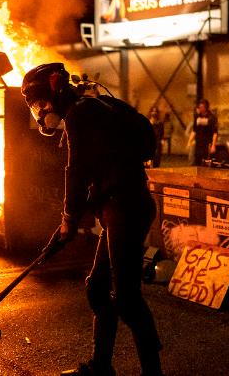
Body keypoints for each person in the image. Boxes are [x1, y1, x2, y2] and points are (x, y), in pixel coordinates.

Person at [21, 63, 163, 376]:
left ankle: (154, 373)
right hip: (117, 209)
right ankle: (101, 368)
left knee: (127, 298)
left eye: (42, 104)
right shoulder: (88, 112)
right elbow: (94, 178)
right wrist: (69, 224)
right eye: (35, 107)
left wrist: (69, 219)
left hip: (126, 208)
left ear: (56, 90)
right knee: (98, 289)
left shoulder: (80, 114)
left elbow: (77, 171)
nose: (41, 112)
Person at [186, 99, 218, 166]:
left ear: (206, 107)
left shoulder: (211, 117)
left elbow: (215, 133)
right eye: (199, 107)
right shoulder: (197, 116)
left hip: (207, 143)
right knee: (197, 162)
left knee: (206, 162)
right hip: (198, 143)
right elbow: (194, 130)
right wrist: (189, 142)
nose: (200, 109)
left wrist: (213, 145)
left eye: (202, 107)